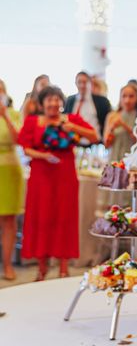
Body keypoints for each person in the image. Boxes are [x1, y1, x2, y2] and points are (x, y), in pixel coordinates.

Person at [18, 86, 98, 280]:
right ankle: (42, 267)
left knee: (64, 217)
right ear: (42, 103)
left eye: (57, 100)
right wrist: (44, 156)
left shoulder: (71, 119)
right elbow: (26, 148)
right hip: (41, 175)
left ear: (61, 102)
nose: (53, 104)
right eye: (49, 100)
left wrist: (73, 128)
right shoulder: (32, 121)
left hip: (65, 175)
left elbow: (94, 137)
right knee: (41, 217)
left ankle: (64, 267)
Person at [0, 80, 24, 280]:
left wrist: (5, 116)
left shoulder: (14, 114)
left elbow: (19, 140)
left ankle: (8, 265)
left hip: (10, 171)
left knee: (9, 219)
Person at [64, 71, 111, 140]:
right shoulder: (70, 100)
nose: (82, 85)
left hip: (94, 143)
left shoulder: (101, 101)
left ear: (90, 83)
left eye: (85, 82)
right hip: (73, 143)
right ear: (75, 83)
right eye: (79, 82)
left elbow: (107, 122)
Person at [103, 84, 137, 162]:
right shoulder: (112, 116)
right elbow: (106, 144)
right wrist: (111, 129)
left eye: (131, 96)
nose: (127, 100)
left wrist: (124, 126)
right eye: (124, 96)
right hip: (114, 159)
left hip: (132, 161)